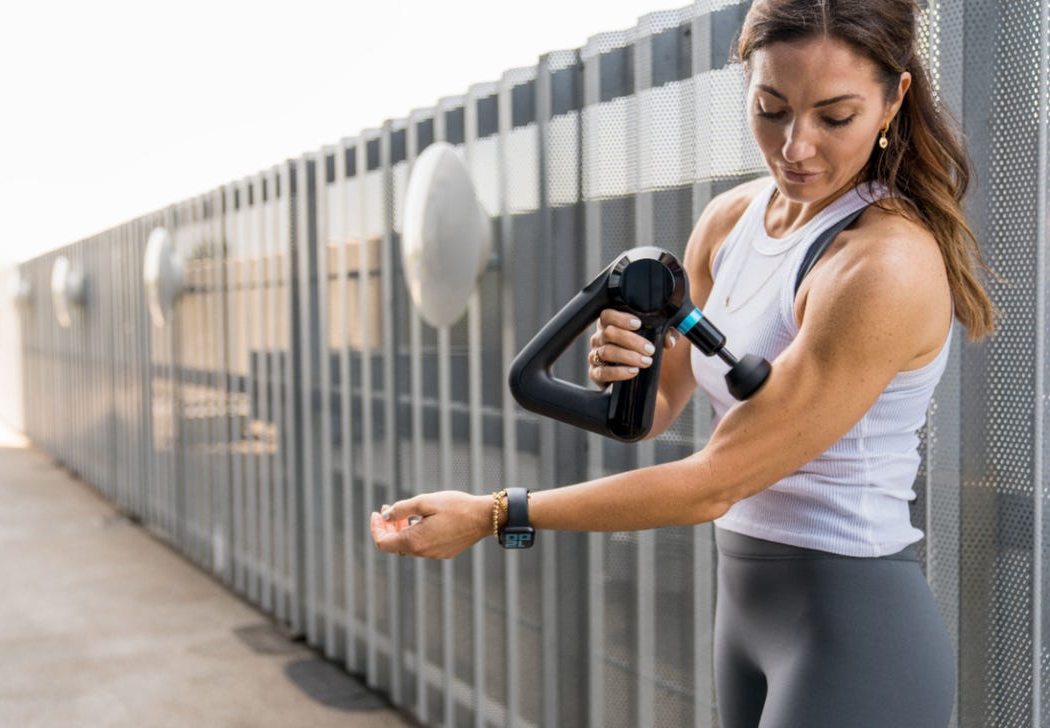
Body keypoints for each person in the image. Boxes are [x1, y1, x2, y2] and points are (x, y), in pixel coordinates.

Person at [371, 0, 996, 725]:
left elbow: (714, 482)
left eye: (834, 117)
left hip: (854, 625)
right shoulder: (731, 221)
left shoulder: (883, 264)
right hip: (744, 607)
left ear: (894, 101)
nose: (796, 147)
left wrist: (494, 513)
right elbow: (654, 411)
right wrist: (620, 368)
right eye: (771, 107)